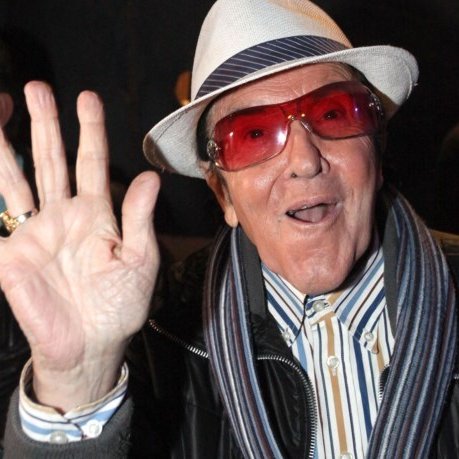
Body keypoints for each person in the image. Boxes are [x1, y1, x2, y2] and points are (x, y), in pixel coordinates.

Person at [1, 0, 458, 457]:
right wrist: (76, 384)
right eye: (253, 135)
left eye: (333, 114)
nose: (304, 161)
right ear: (223, 195)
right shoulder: (162, 344)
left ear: (376, 152)